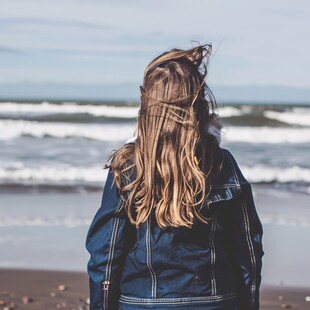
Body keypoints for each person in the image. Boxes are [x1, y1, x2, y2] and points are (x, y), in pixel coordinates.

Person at [85, 44, 264, 310]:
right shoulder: (221, 163)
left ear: (147, 102)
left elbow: (106, 254)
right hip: (215, 300)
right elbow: (247, 249)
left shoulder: (128, 166)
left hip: (142, 301)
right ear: (199, 102)